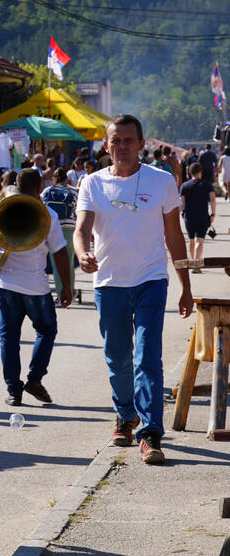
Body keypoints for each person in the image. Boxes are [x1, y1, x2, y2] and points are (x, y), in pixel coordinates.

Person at [75, 114, 193, 465]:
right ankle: (125, 417)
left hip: (151, 281)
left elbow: (174, 235)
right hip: (109, 282)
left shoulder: (161, 181)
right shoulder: (93, 184)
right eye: (116, 140)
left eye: (129, 140)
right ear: (106, 145)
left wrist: (186, 285)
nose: (122, 146)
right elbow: (81, 230)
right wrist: (82, 254)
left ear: (142, 144)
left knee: (146, 356)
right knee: (118, 358)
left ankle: (151, 432)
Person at [0, 169, 71, 406]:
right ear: (39, 187)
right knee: (46, 331)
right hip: (36, 286)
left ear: (16, 183)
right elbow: (59, 252)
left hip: (3, 284)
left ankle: (13, 391)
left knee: (9, 339)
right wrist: (66, 287)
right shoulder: (47, 214)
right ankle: (35, 379)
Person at [41, 168, 78, 302]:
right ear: (66, 179)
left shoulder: (47, 191)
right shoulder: (73, 191)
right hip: (69, 228)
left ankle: (59, 294)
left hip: (52, 228)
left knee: (56, 262)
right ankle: (71, 291)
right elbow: (77, 211)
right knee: (69, 261)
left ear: (54, 179)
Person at [180, 162, 216, 272]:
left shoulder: (184, 186)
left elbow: (181, 203)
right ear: (201, 172)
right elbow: (213, 200)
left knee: (191, 240)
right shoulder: (207, 185)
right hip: (203, 216)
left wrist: (179, 214)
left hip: (189, 217)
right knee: (199, 240)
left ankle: (194, 261)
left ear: (190, 172)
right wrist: (213, 214)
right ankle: (196, 262)